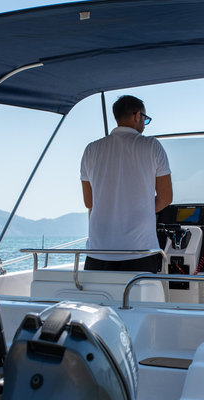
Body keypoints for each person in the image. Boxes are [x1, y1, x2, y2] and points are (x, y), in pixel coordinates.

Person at [80, 95, 173, 272]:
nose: (144, 124)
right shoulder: (152, 146)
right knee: (138, 299)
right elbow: (166, 198)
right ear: (137, 115)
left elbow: (89, 202)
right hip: (140, 249)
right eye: (145, 118)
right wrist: (136, 210)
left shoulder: (91, 149)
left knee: (101, 299)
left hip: (98, 251)